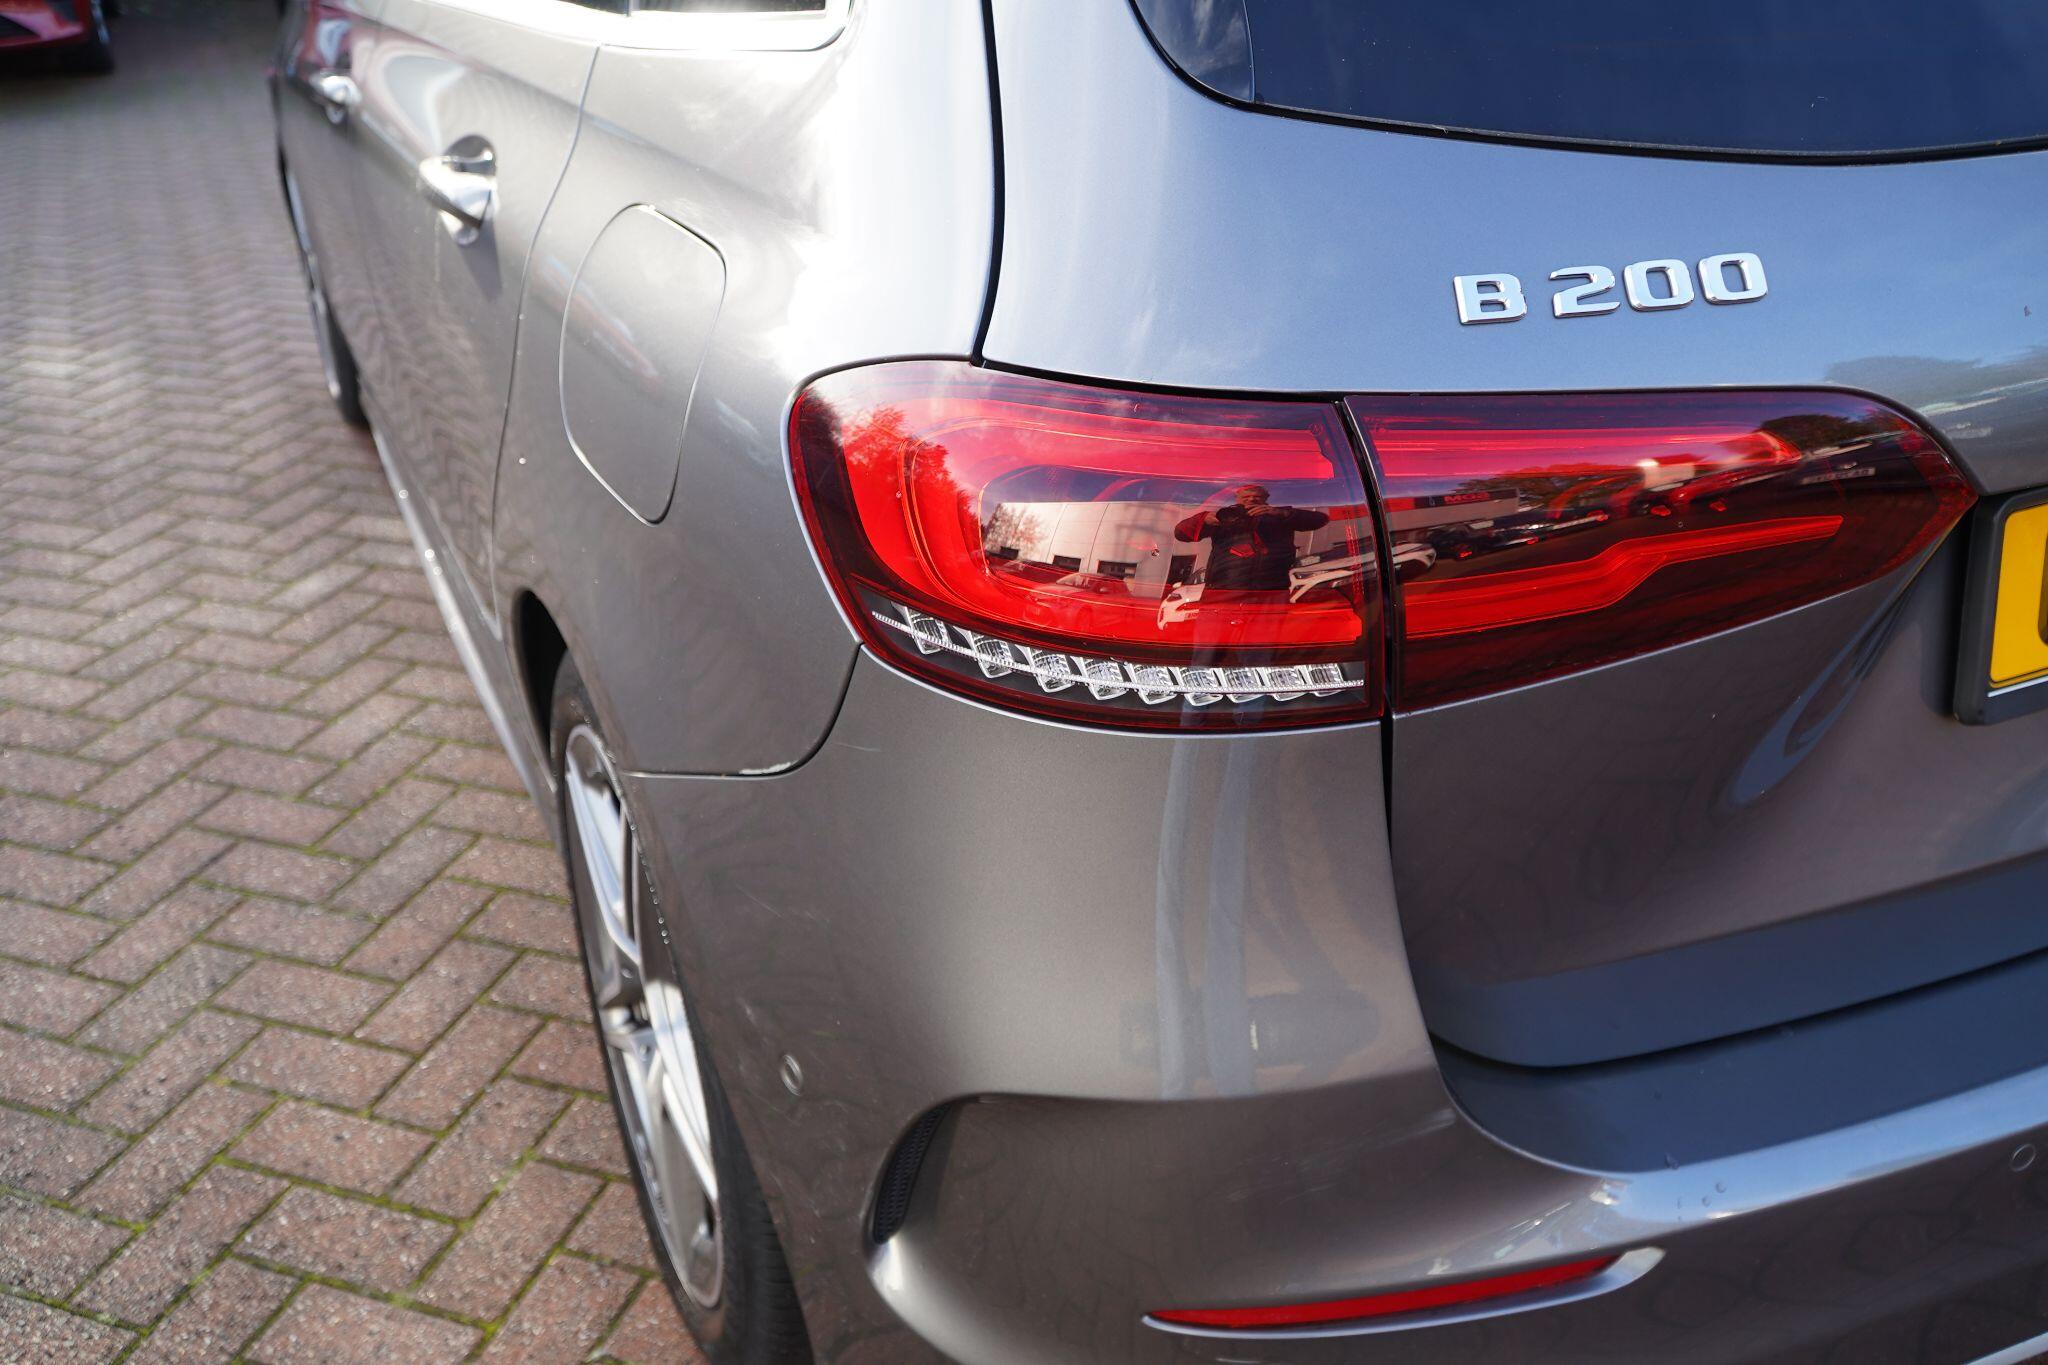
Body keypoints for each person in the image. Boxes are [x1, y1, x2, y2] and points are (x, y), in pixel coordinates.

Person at [1172, 484, 1328, 592]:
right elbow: (1181, 534)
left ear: (1266, 498)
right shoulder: (1225, 516)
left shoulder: (1278, 515)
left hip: (1271, 590)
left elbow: (1320, 520)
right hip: (1223, 590)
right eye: (1246, 497)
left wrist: (1282, 513)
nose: (1252, 500)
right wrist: (1204, 520)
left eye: (1257, 497)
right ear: (1237, 498)